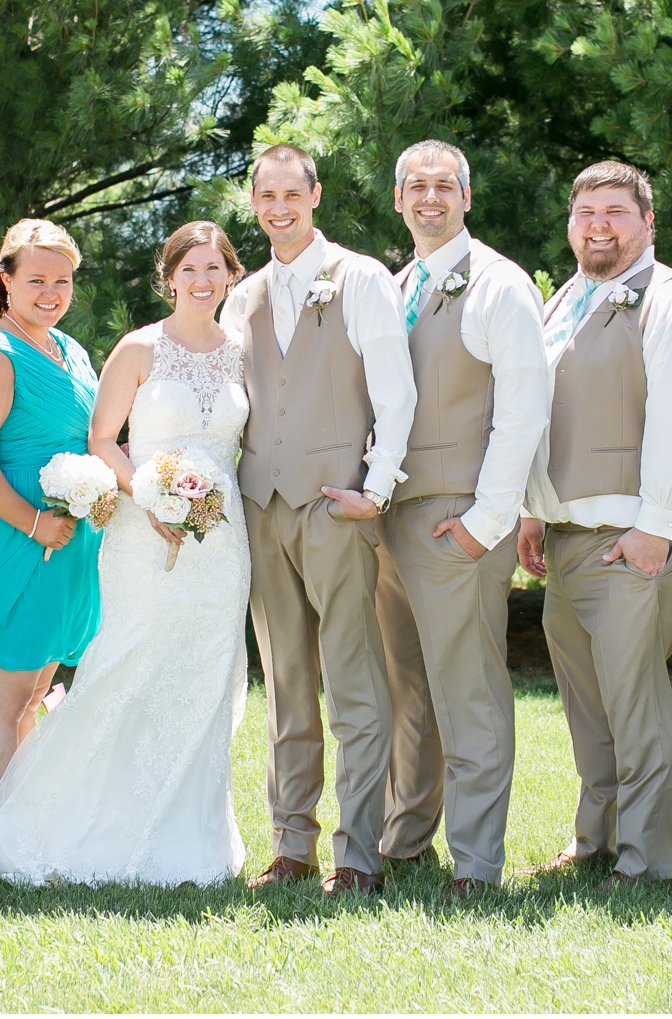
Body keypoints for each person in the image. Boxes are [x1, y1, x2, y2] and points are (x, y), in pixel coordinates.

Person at [0, 221, 252, 886]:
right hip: (142, 531)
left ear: (231, 276)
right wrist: (152, 497)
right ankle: (73, 822)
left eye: (215, 268)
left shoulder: (244, 352)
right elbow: (103, 439)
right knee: (127, 668)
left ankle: (190, 836)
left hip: (223, 540)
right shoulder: (138, 349)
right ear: (170, 276)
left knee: (205, 680)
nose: (202, 280)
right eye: (190, 269)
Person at [221, 143, 416, 896]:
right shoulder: (245, 295)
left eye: (290, 194)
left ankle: (358, 853)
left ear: (315, 195)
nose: (278, 208)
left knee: (355, 685)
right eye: (264, 196)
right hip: (262, 506)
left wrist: (379, 486)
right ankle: (291, 845)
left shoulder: (360, 277)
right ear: (255, 203)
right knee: (287, 685)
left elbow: (394, 391)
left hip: (336, 505)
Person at [516, 161, 672, 889]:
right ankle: (594, 840)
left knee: (635, 704)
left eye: (615, 212)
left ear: (647, 223)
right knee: (588, 706)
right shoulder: (567, 298)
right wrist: (533, 511)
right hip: (569, 535)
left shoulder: (670, 302)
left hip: (635, 535)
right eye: (585, 213)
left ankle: (647, 861)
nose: (598, 225)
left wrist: (656, 526)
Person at [373, 142, 547, 896]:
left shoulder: (499, 286)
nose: (430, 198)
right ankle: (406, 840)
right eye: (417, 186)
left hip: (457, 520)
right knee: (408, 689)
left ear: (467, 198)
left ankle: (477, 864)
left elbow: (524, 409)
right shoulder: (396, 284)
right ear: (399, 198)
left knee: (468, 691)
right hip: (392, 521)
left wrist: (488, 519)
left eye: (445, 186)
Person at [0, 219, 102, 811]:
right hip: (17, 538)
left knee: (35, 694)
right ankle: (3, 837)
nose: (51, 293)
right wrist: (34, 524)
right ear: (6, 281)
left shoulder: (68, 348)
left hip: (67, 541)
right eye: (36, 279)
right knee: (4, 699)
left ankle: (25, 825)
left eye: (62, 281)